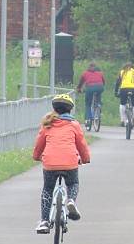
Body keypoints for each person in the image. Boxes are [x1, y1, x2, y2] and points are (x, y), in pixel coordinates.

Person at [32, 94, 91, 234]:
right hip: (70, 161)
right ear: (70, 110)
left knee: (47, 189)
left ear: (54, 109)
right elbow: (81, 145)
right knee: (73, 183)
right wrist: (85, 158)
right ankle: (70, 200)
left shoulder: (47, 124)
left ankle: (45, 222)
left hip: (50, 163)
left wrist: (36, 157)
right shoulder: (74, 125)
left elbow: (39, 145)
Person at [76, 62, 105, 128]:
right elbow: (103, 82)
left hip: (90, 88)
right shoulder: (100, 73)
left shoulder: (85, 73)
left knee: (88, 104)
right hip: (100, 87)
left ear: (88, 67)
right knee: (98, 96)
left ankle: (88, 120)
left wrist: (79, 89)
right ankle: (98, 105)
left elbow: (81, 83)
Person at [114, 62, 134, 126]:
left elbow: (118, 83)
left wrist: (116, 92)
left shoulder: (122, 72)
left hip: (124, 89)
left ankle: (122, 120)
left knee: (122, 104)